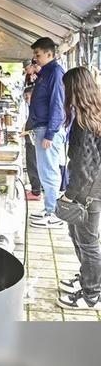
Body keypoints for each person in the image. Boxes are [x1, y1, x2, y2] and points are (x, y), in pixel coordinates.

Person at [56, 67, 101, 310]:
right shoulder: (93, 112)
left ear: (75, 88)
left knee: (87, 242)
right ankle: (87, 280)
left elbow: (84, 165)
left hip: (88, 191)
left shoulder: (84, 121)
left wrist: (70, 195)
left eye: (66, 87)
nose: (63, 92)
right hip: (92, 188)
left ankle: (92, 295)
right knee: (81, 237)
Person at [27, 37, 67, 229]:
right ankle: (49, 207)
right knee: (44, 171)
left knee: (49, 171)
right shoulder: (46, 72)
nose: (35, 58)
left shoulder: (56, 72)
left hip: (48, 128)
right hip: (40, 126)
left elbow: (57, 103)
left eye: (38, 54)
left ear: (49, 54)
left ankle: (54, 213)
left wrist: (50, 133)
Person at [23, 86, 42, 201]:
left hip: (33, 140)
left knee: (33, 165)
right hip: (30, 138)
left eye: (27, 97)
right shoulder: (33, 107)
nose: (26, 99)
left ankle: (36, 192)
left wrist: (27, 131)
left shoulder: (38, 107)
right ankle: (35, 189)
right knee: (32, 164)